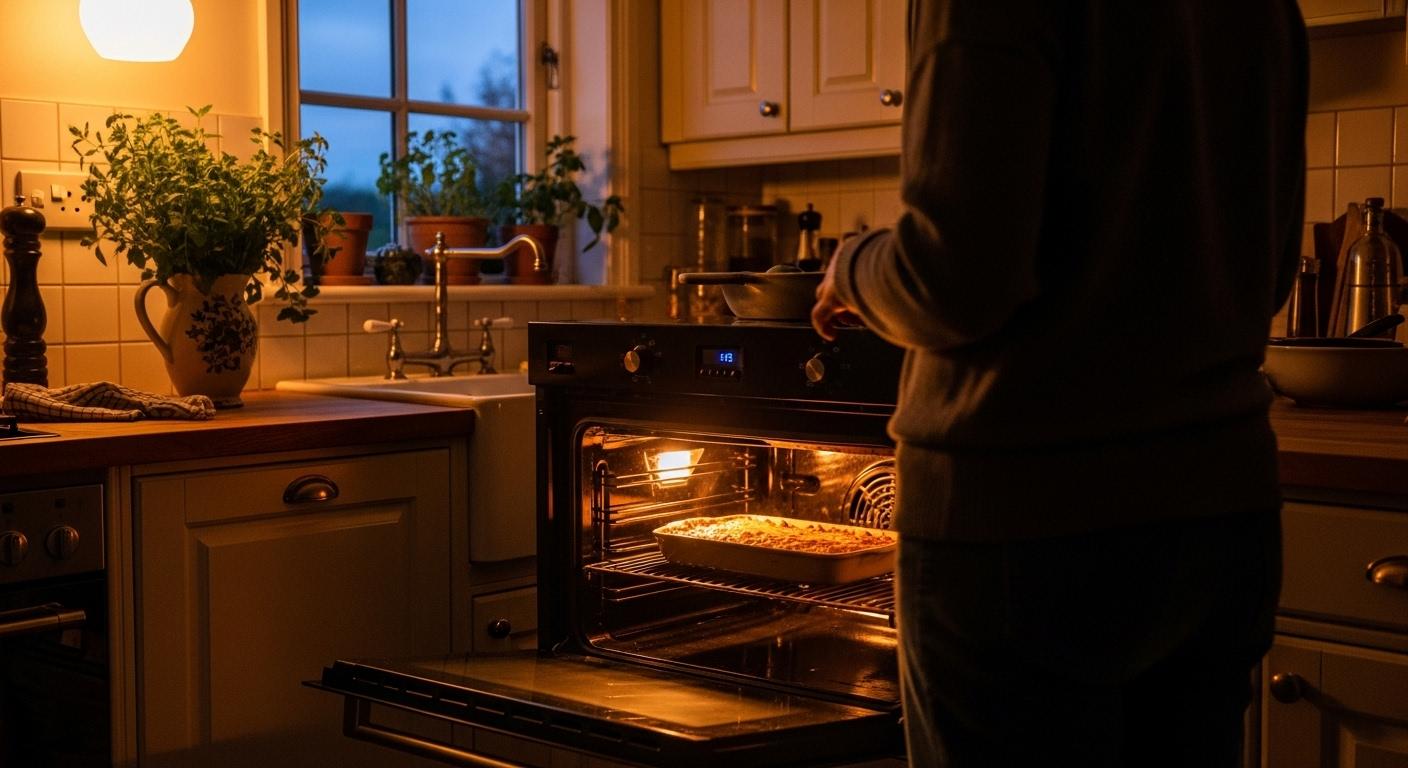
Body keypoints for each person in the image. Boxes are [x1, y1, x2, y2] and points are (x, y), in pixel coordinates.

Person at [812, 2, 1306, 766]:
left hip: (1025, 525)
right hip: (1218, 517)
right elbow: (1266, 276)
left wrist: (849, 266)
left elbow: (952, 278)